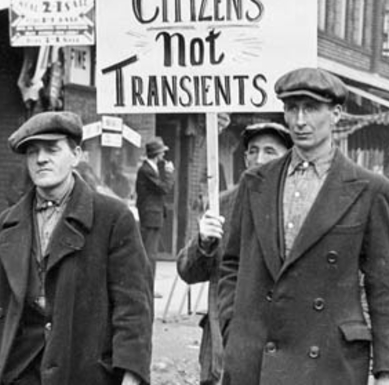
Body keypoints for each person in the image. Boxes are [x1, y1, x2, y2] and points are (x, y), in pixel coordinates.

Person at [217, 67, 389, 385]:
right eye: (292, 109)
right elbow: (232, 264)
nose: (300, 121)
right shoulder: (255, 183)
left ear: (336, 114)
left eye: (311, 108)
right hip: (257, 358)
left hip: (328, 361)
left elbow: (382, 289)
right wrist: (233, 327)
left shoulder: (370, 189)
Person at [0, 111, 153, 385]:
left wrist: (131, 375)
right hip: (20, 371)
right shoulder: (7, 224)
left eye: (52, 149)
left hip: (85, 371)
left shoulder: (112, 218)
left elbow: (133, 308)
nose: (41, 159)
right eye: (32, 152)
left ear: (76, 155)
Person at [176, 122, 293, 385]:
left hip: (278, 344)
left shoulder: (295, 207)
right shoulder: (223, 204)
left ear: (288, 159)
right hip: (223, 342)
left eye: (269, 151)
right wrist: (203, 243)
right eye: (252, 151)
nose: (259, 159)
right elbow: (187, 270)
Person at [135, 137, 175, 282]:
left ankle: (148, 286)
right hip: (150, 216)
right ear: (157, 154)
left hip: (153, 215)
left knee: (151, 253)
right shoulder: (146, 170)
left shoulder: (150, 169)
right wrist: (169, 173)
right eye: (162, 153)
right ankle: (147, 286)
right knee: (149, 254)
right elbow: (164, 188)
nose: (163, 156)